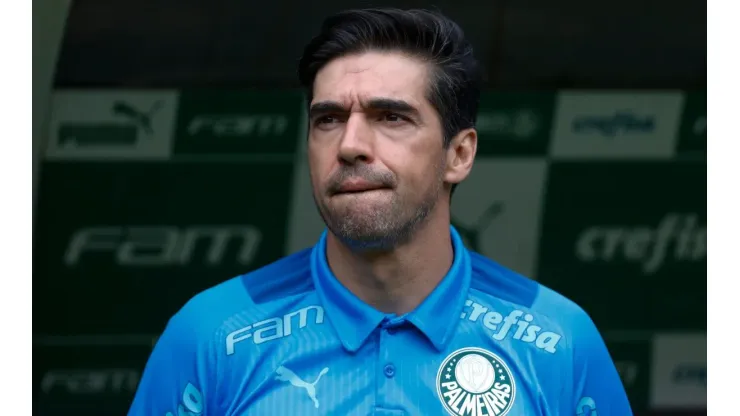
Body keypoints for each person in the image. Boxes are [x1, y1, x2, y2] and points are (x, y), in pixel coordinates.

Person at [128, 8, 632, 415]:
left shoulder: (557, 342)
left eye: (390, 117)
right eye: (328, 119)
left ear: (459, 154)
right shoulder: (211, 333)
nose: (349, 145)